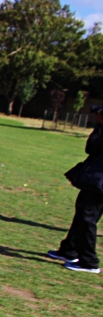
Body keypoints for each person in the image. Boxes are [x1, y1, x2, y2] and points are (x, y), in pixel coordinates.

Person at [49, 107, 103, 274]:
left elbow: (92, 146)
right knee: (83, 214)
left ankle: (89, 261)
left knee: (86, 217)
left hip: (99, 182)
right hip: (97, 182)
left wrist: (100, 127)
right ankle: (68, 250)